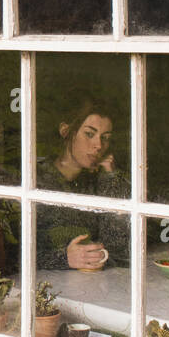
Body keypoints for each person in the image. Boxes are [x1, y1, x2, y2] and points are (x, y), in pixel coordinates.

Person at [36, 97, 131, 271]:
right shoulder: (35, 180)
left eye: (106, 138)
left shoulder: (97, 183)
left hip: (93, 286)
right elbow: (12, 257)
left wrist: (111, 178)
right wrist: (64, 258)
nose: (98, 145)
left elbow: (120, 250)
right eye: (89, 134)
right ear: (66, 131)